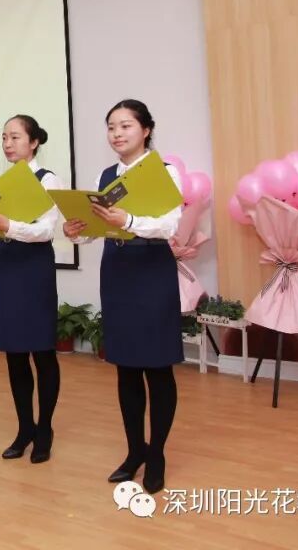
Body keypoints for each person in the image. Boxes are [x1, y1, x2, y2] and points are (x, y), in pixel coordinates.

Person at [64, 99, 183, 493]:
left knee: (157, 367)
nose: (117, 133)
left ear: (146, 130)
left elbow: (169, 225)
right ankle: (135, 451)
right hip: (117, 271)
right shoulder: (105, 175)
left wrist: (128, 220)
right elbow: (100, 227)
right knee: (126, 367)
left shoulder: (164, 171)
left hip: (151, 271)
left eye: (126, 125)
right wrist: (77, 231)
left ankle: (157, 454)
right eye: (111, 127)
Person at [0, 115, 62, 463]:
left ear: (34, 142)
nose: (7, 143)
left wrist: (10, 225)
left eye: (15, 137)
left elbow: (45, 230)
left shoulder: (47, 179)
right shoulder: (2, 183)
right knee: (15, 354)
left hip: (33, 270)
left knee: (42, 352)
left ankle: (45, 429)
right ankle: (24, 428)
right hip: (6, 268)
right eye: (4, 137)